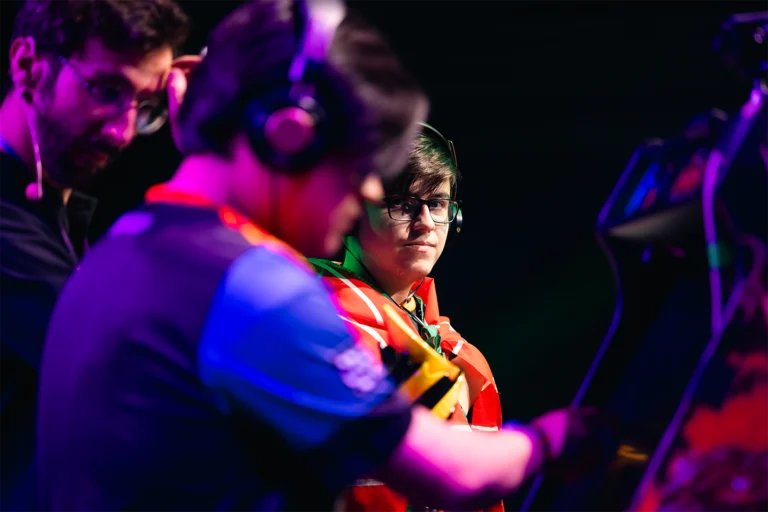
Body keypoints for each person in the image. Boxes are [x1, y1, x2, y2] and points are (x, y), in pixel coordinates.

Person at [36, 0, 613, 510]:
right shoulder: (250, 286)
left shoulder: (124, 245)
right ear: (289, 135)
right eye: (361, 164)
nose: (368, 191)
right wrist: (553, 439)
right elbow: (455, 476)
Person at [0, 0, 194, 508]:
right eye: (106, 90)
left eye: (146, 105)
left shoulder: (57, 215)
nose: (122, 132)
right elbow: (146, 380)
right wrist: (211, 160)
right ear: (27, 64)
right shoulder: (7, 227)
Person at [310, 123, 506, 512]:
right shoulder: (311, 324)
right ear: (351, 213)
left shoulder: (463, 358)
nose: (426, 223)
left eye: (438, 204)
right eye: (401, 204)